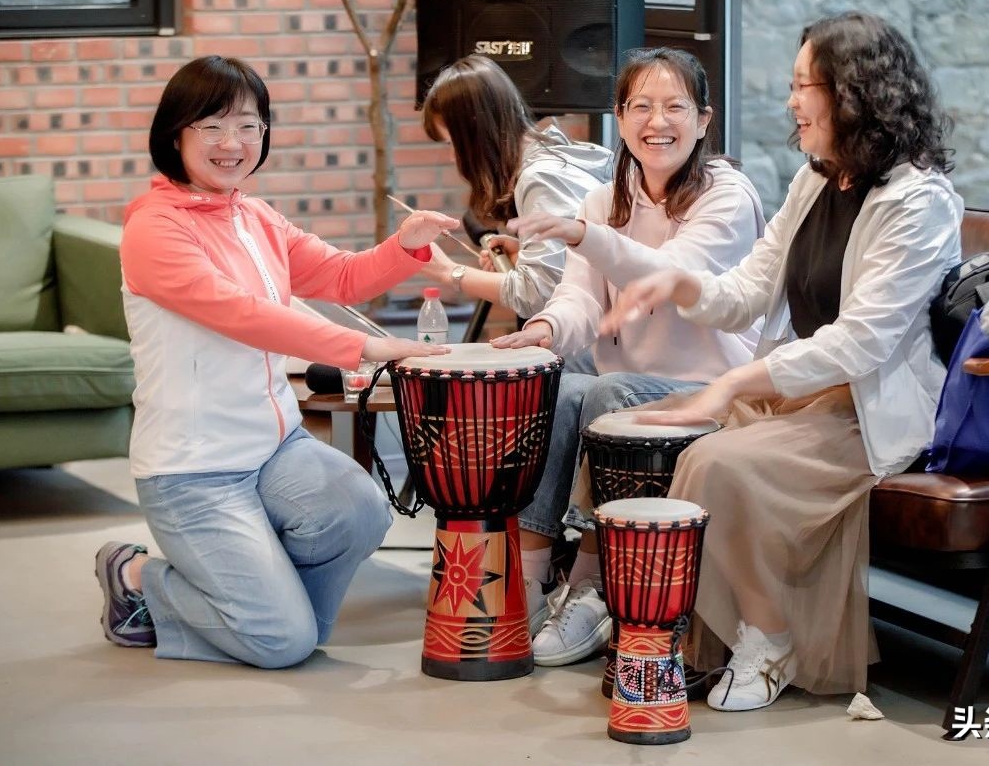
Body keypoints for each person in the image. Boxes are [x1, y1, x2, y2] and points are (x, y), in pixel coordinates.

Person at [603, 12, 963, 711]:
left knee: (716, 460)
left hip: (860, 413)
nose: (793, 101)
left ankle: (772, 636)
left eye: (806, 85)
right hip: (799, 396)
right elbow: (745, 292)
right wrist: (676, 284)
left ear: (855, 93)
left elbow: (860, 342)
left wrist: (735, 381)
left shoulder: (920, 203)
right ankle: (637, 613)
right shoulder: (815, 181)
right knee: (648, 423)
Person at [96, 55, 456, 668]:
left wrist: (408, 244)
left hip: (275, 448)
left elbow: (340, 276)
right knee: (281, 642)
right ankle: (134, 577)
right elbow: (241, 313)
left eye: (248, 125)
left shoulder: (253, 215)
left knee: (360, 510)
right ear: (175, 134)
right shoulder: (154, 229)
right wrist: (363, 348)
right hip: (193, 471)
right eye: (211, 126)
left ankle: (259, 602)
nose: (232, 143)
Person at [490, 47, 765, 665]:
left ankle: (593, 584)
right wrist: (542, 330)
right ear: (618, 118)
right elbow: (579, 301)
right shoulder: (604, 200)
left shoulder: (727, 196)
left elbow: (671, 274)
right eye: (640, 106)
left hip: (716, 388)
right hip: (633, 385)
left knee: (610, 396)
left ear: (703, 121)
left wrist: (589, 238)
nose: (656, 121)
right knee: (557, 387)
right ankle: (531, 583)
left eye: (674, 107)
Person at [416, 55, 614, 318]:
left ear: (476, 132)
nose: (453, 157)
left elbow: (540, 295)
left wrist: (448, 271)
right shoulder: (554, 163)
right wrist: (525, 254)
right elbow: (578, 266)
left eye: (452, 143)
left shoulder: (542, 179)